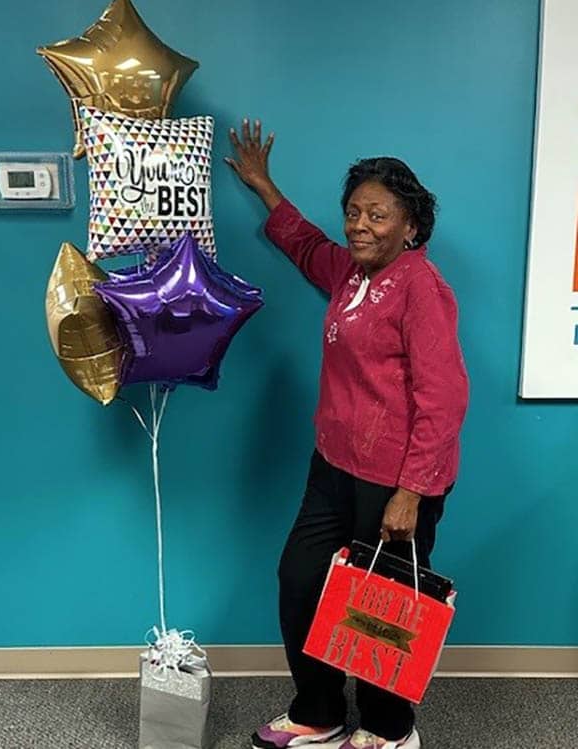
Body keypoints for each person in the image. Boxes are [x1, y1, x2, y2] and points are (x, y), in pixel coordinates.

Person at [225, 119, 469, 749]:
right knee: (301, 579)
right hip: (332, 467)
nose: (360, 225)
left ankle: (390, 729)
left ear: (411, 226)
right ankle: (320, 712)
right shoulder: (352, 274)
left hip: (395, 479)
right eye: (353, 212)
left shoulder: (421, 287)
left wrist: (411, 492)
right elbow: (307, 246)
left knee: (380, 609)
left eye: (378, 215)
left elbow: (443, 398)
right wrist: (264, 187)